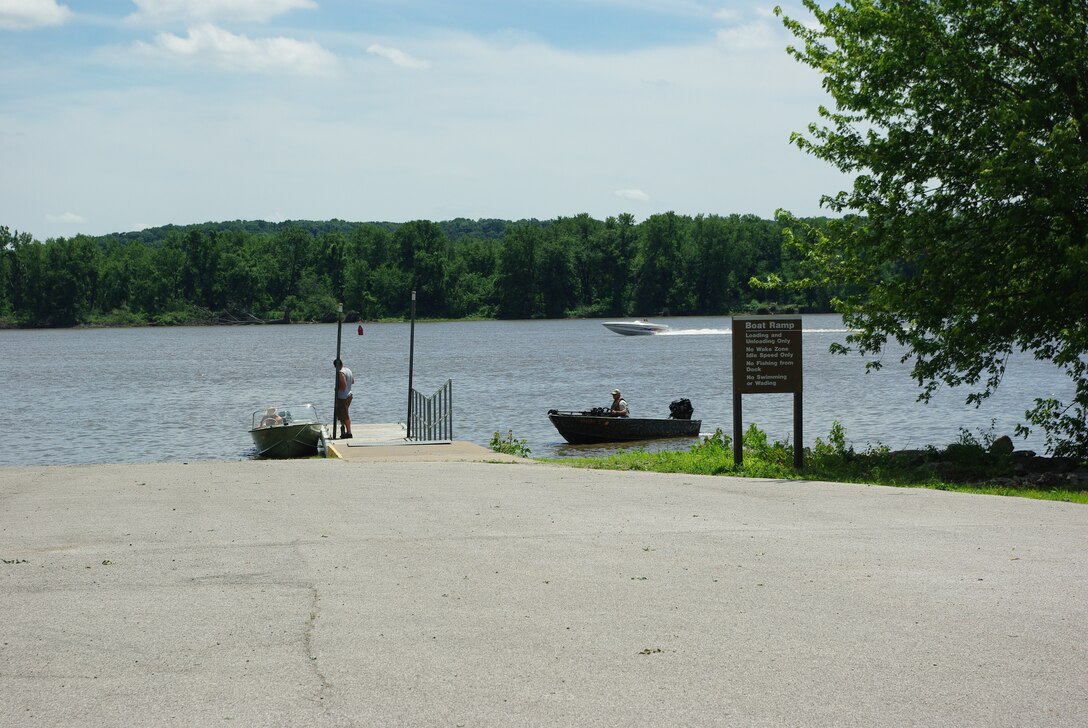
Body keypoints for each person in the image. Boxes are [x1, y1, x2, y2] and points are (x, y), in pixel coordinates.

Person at [334, 358, 354, 439]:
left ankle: (349, 433)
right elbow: (352, 381)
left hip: (343, 397)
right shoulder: (348, 370)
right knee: (342, 415)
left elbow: (343, 385)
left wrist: (337, 389)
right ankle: (344, 432)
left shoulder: (341, 372)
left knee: (345, 416)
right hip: (349, 395)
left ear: (336, 366)